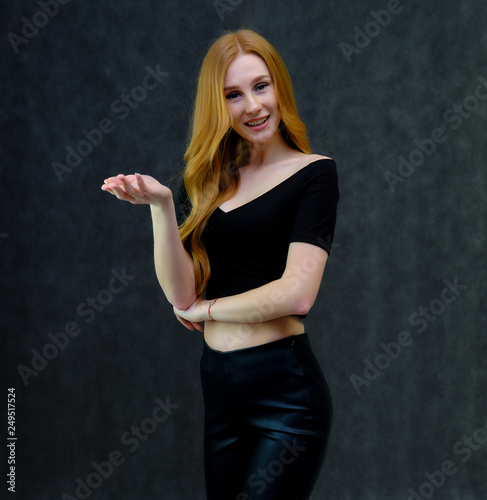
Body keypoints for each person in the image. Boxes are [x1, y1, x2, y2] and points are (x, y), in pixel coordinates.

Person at [101, 28, 339, 500]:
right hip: (221, 390)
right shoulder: (208, 182)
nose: (252, 106)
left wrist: (206, 312)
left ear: (279, 89)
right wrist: (163, 207)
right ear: (218, 104)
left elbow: (296, 293)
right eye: (233, 94)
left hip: (285, 395)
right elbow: (181, 295)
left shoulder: (314, 174)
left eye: (261, 86)